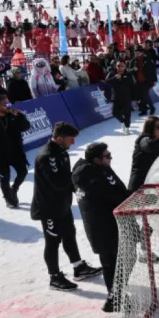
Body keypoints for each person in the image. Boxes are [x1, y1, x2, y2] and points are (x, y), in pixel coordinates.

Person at [31, 122, 102, 291]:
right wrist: (79, 176)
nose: (74, 143)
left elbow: (67, 180)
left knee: (69, 234)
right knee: (52, 241)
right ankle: (54, 277)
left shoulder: (62, 152)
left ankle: (78, 267)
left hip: (62, 204)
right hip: (49, 208)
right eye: (71, 139)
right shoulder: (47, 156)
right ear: (60, 138)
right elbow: (58, 182)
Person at [72, 142, 133, 312]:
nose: (110, 158)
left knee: (117, 261)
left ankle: (116, 294)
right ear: (96, 160)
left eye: (110, 154)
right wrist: (144, 198)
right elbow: (117, 195)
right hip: (104, 229)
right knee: (113, 263)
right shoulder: (93, 177)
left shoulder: (97, 170)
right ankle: (114, 298)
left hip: (106, 226)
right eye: (107, 156)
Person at [0, 94, 30, 208]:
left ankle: (13, 189)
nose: (9, 106)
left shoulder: (12, 115)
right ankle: (8, 199)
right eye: (6, 104)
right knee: (5, 176)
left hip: (15, 151)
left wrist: (19, 116)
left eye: (9, 103)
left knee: (23, 172)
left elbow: (26, 126)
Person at [109, 60, 136, 135]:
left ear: (125, 67)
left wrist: (136, 97)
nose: (120, 68)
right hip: (116, 97)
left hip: (126, 97)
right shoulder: (112, 73)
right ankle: (123, 121)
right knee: (114, 112)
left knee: (127, 113)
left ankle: (127, 127)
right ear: (115, 66)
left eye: (122, 66)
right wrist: (114, 78)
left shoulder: (128, 74)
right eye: (118, 66)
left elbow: (133, 86)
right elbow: (106, 81)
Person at [131, 46, 156, 116]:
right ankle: (143, 110)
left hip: (146, 81)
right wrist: (133, 69)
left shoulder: (147, 59)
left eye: (137, 53)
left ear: (141, 53)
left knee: (145, 96)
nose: (136, 54)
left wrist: (155, 80)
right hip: (137, 82)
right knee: (139, 97)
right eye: (135, 53)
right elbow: (128, 70)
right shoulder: (133, 61)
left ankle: (152, 108)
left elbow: (153, 71)